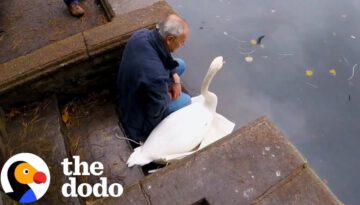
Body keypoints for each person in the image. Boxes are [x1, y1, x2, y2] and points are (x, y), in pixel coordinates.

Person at [116, 14, 191, 143]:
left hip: (130, 89)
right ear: (169, 39)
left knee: (180, 64)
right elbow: (155, 113)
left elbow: (165, 57)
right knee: (186, 100)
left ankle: (164, 89)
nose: (182, 45)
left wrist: (175, 78)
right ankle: (146, 135)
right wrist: (167, 95)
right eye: (182, 42)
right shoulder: (155, 76)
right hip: (137, 119)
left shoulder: (142, 34)